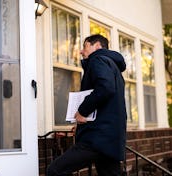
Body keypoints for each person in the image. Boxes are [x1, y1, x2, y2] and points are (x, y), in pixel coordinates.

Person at [47, 34, 127, 176]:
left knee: (55, 170)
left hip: (96, 139)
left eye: (85, 46)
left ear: (97, 46)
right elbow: (105, 103)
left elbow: (105, 88)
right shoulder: (112, 66)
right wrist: (82, 124)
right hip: (110, 139)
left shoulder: (98, 59)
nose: (81, 51)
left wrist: (82, 111)